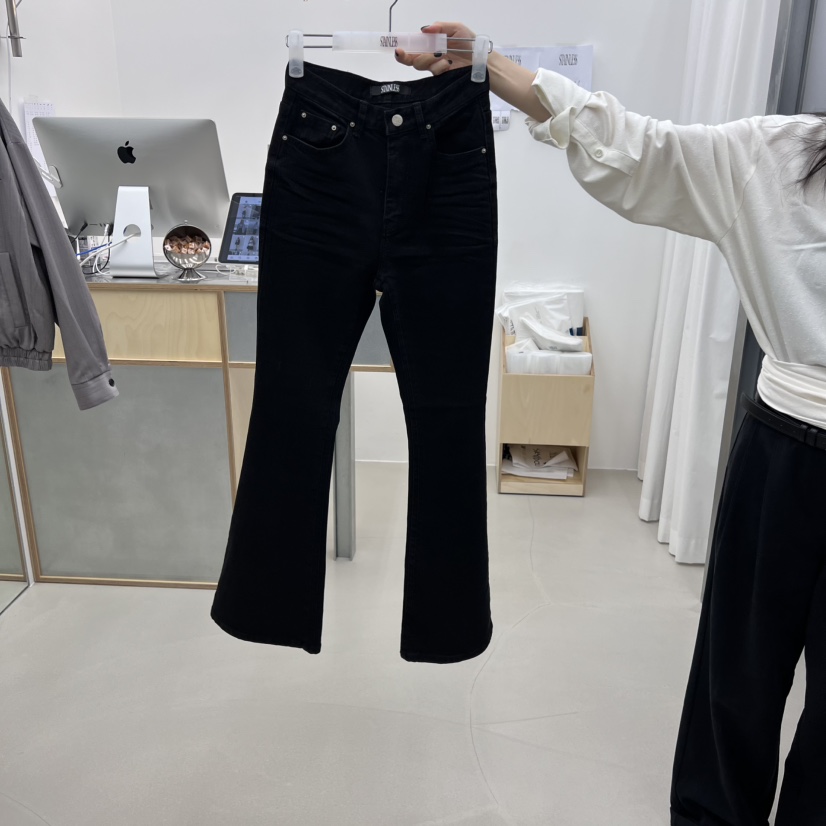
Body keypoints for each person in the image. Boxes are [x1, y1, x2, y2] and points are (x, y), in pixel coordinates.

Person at [396, 22, 826, 826]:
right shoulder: (779, 155)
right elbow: (637, 147)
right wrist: (490, 66)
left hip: (785, 440)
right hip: (784, 444)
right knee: (737, 678)